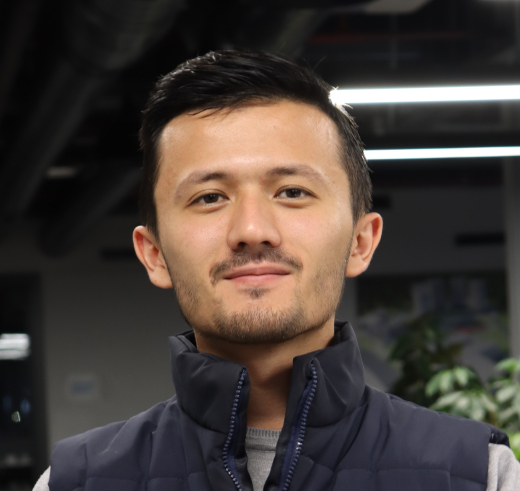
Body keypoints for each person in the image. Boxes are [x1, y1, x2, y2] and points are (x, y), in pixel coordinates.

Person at [34, 50, 520, 491]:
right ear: (154, 253)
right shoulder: (75, 483)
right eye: (209, 197)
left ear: (360, 241)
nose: (252, 230)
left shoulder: (480, 475)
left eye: (292, 192)